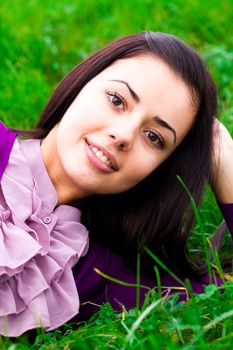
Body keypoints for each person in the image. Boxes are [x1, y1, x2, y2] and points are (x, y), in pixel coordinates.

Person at [0, 31, 232, 337]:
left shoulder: (102, 273)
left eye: (155, 138)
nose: (123, 135)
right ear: (82, 82)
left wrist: (222, 154)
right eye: (116, 100)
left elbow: (213, 297)